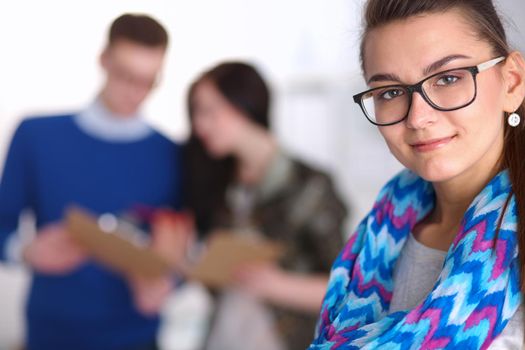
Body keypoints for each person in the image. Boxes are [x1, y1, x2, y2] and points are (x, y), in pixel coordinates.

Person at [310, 0, 525, 348]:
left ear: (512, 83)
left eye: (448, 78)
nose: (418, 117)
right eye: (391, 92)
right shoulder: (381, 232)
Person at [0, 14, 184, 350]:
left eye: (148, 81)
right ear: (104, 60)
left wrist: (167, 281)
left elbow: (184, 249)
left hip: (137, 336)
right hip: (52, 334)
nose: (134, 92)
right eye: (125, 75)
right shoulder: (35, 136)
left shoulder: (171, 154)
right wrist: (25, 250)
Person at [183, 61, 348, 350]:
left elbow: (346, 288)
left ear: (244, 105)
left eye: (209, 111)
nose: (199, 125)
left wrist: (274, 284)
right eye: (195, 112)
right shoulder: (215, 181)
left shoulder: (311, 185)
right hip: (222, 336)